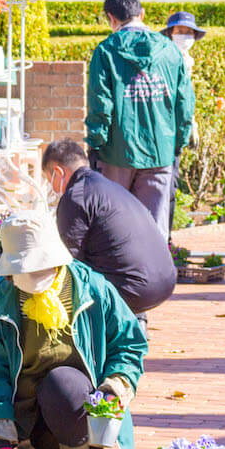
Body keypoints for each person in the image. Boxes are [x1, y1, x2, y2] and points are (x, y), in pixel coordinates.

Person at [0, 211, 147, 449]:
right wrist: (1, 439)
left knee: (61, 382)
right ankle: (22, 444)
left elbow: (129, 344)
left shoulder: (93, 289)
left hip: (74, 411)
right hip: (20, 405)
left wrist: (115, 385)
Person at [85, 0, 195, 233]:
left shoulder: (105, 51)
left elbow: (100, 105)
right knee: (155, 228)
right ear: (141, 14)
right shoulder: (170, 51)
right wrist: (179, 142)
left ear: (111, 19)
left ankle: (118, 271)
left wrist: (95, 143)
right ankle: (156, 271)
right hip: (161, 151)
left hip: (116, 152)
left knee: (114, 225)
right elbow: (185, 104)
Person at [43, 138, 177, 329]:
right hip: (166, 279)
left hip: (136, 289)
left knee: (72, 274)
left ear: (58, 172)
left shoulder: (76, 196)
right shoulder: (111, 188)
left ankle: (101, 333)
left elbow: (70, 261)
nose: (52, 188)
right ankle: (133, 320)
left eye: (50, 181)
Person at [159, 11, 206, 234]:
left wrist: (191, 126)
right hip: (164, 132)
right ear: (170, 33)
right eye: (180, 32)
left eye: (189, 33)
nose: (185, 36)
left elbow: (186, 100)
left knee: (169, 187)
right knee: (164, 187)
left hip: (176, 132)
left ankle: (166, 240)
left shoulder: (187, 61)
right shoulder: (165, 59)